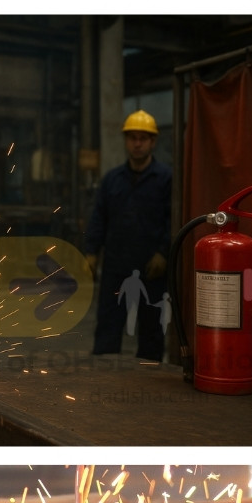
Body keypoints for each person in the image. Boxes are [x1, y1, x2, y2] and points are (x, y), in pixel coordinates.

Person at [84, 110, 172, 361]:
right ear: (126, 141)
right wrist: (91, 251)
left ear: (153, 142)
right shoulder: (112, 180)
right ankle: (104, 376)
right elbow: (99, 218)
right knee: (107, 329)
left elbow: (172, 220)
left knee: (151, 332)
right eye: (133, 138)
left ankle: (149, 377)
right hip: (116, 268)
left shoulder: (165, 179)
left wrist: (163, 253)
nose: (137, 143)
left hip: (151, 270)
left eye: (143, 138)